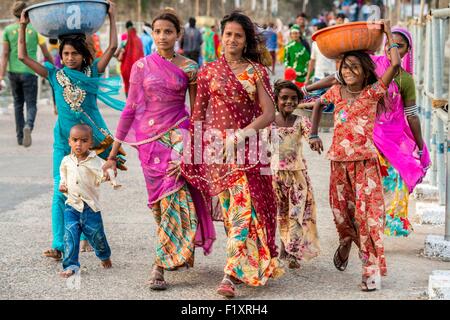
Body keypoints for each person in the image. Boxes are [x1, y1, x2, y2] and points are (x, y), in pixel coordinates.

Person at [103, 9, 215, 291]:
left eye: (168, 31)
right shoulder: (141, 66)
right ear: (152, 34)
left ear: (178, 34)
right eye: (157, 31)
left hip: (178, 135)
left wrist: (195, 148)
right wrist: (113, 151)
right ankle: (177, 248)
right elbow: (130, 108)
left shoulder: (190, 68)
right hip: (148, 142)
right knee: (160, 204)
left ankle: (159, 265)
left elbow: (198, 111)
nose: (162, 36)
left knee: (174, 196)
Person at [181, 11, 283, 298]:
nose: (233, 40)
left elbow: (268, 113)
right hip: (218, 153)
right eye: (228, 34)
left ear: (246, 39)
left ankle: (228, 274)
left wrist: (241, 135)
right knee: (232, 214)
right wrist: (193, 153)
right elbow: (198, 115)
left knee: (243, 211)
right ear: (220, 37)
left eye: (239, 35)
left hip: (248, 150)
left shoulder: (256, 71)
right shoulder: (208, 71)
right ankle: (245, 264)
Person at [18, 1, 124, 260]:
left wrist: (112, 16)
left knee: (86, 189)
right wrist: (22, 26)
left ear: (82, 54)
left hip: (88, 143)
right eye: (65, 54)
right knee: (60, 188)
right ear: (60, 56)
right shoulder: (54, 75)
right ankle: (59, 243)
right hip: (62, 142)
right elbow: (22, 57)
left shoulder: (93, 71)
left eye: (74, 53)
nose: (70, 58)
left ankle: (87, 234)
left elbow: (112, 47)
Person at [309, 20, 400, 292]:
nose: (348, 72)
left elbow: (394, 64)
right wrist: (314, 134)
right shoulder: (336, 91)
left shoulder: (373, 93)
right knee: (341, 214)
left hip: (365, 165)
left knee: (369, 218)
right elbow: (317, 104)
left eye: (355, 67)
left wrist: (387, 31)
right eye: (345, 67)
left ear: (364, 73)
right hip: (338, 163)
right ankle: (346, 241)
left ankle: (370, 271)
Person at [372, 27, 430, 237]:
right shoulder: (371, 66)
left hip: (395, 139)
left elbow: (412, 115)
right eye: (390, 43)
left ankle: (385, 225)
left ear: (408, 51)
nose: (393, 48)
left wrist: (421, 146)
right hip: (368, 135)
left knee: (397, 179)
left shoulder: (405, 80)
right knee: (370, 180)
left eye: (400, 45)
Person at [271, 80, 320, 269]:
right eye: (284, 98)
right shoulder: (269, 121)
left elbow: (311, 135)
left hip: (297, 176)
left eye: (293, 98)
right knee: (280, 213)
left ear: (298, 101)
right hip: (275, 176)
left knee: (295, 214)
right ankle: (284, 247)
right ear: (276, 100)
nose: (288, 102)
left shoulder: (301, 122)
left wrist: (314, 139)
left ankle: (292, 252)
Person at [59, 124, 113, 278]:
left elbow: (103, 173)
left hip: (90, 208)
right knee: (70, 235)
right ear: (69, 141)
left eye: (84, 141)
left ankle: (104, 256)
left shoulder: (96, 161)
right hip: (72, 205)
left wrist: (107, 176)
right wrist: (63, 184)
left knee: (97, 237)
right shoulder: (66, 161)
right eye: (75, 140)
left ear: (91, 143)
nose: (78, 144)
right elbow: (63, 174)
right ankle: (71, 265)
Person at [0, 1, 54, 147]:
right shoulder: (35, 30)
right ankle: (28, 125)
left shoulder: (8, 30)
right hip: (30, 71)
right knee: (31, 103)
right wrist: (54, 68)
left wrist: (0, 76)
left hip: (13, 72)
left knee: (18, 104)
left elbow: (4, 54)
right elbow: (46, 53)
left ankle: (19, 137)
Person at [117, 21, 144, 97]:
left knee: (127, 86)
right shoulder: (138, 40)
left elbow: (118, 56)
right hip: (137, 69)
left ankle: (129, 103)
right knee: (137, 87)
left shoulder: (125, 40)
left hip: (126, 68)